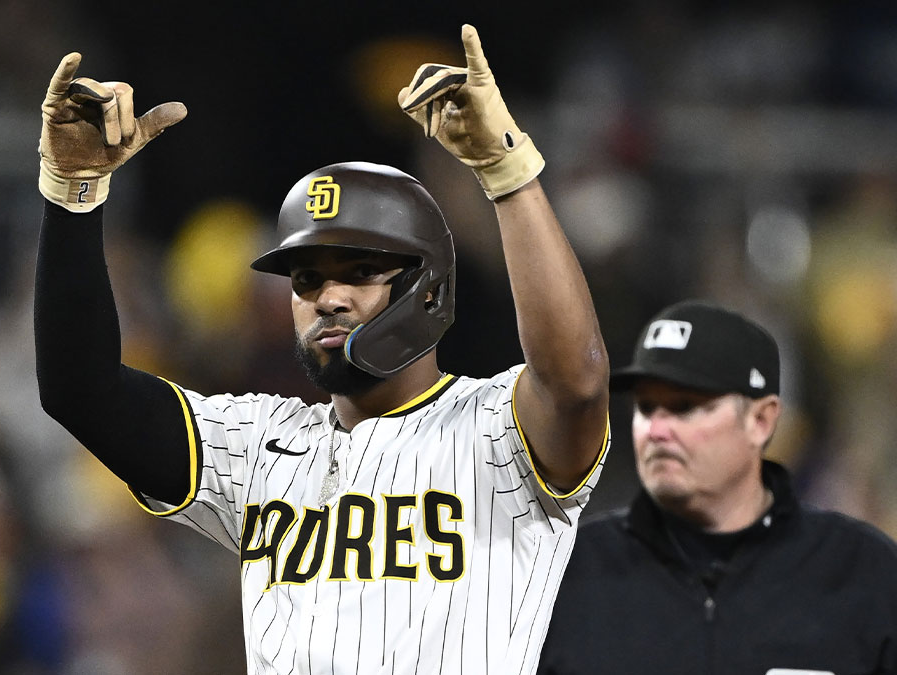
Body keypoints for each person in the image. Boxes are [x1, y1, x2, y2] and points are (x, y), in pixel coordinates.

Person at [34, 24, 610, 674]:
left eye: (358, 270)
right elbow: (80, 391)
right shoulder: (258, 445)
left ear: (428, 289)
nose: (326, 297)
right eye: (307, 277)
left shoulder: (493, 431)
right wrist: (74, 195)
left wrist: (508, 176)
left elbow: (577, 381)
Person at [538, 300, 897, 674]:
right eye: (646, 407)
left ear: (760, 421)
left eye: (685, 407)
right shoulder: (567, 575)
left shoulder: (865, 572)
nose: (657, 430)